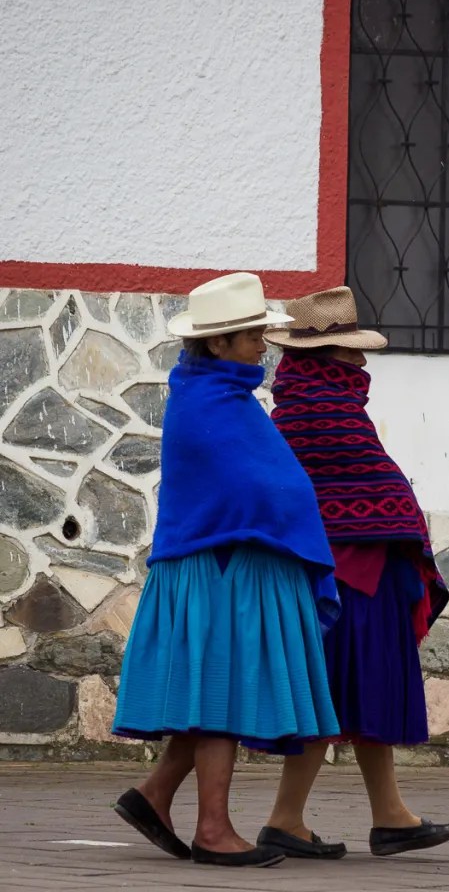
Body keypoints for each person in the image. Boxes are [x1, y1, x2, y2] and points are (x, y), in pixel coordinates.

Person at [111, 272, 341, 868]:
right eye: (253, 336)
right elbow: (245, 489)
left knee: (214, 689)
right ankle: (213, 831)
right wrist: (291, 516)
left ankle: (153, 796)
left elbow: (261, 481)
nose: (263, 346)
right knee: (220, 693)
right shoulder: (206, 401)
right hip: (217, 564)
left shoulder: (219, 394)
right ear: (219, 342)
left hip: (226, 559)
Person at [257, 286, 449, 861]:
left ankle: (384, 816)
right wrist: (405, 527)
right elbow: (376, 490)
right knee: (343, 690)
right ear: (329, 356)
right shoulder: (328, 411)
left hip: (333, 577)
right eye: (352, 351)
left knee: (347, 692)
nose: (361, 362)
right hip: (350, 581)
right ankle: (290, 820)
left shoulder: (294, 409)